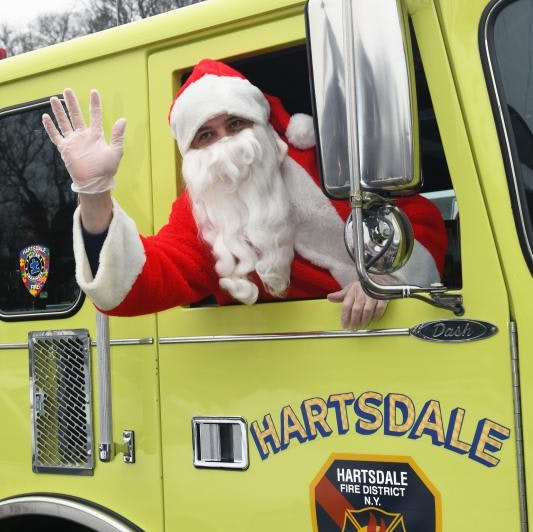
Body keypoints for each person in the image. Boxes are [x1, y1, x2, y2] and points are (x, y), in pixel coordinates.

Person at [42, 59, 448, 329]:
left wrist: (385, 277)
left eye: (235, 123)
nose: (226, 143)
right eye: (206, 134)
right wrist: (94, 193)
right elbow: (136, 287)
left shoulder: (328, 162)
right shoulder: (200, 213)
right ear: (192, 153)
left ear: (262, 124)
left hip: (398, 338)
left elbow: (417, 218)